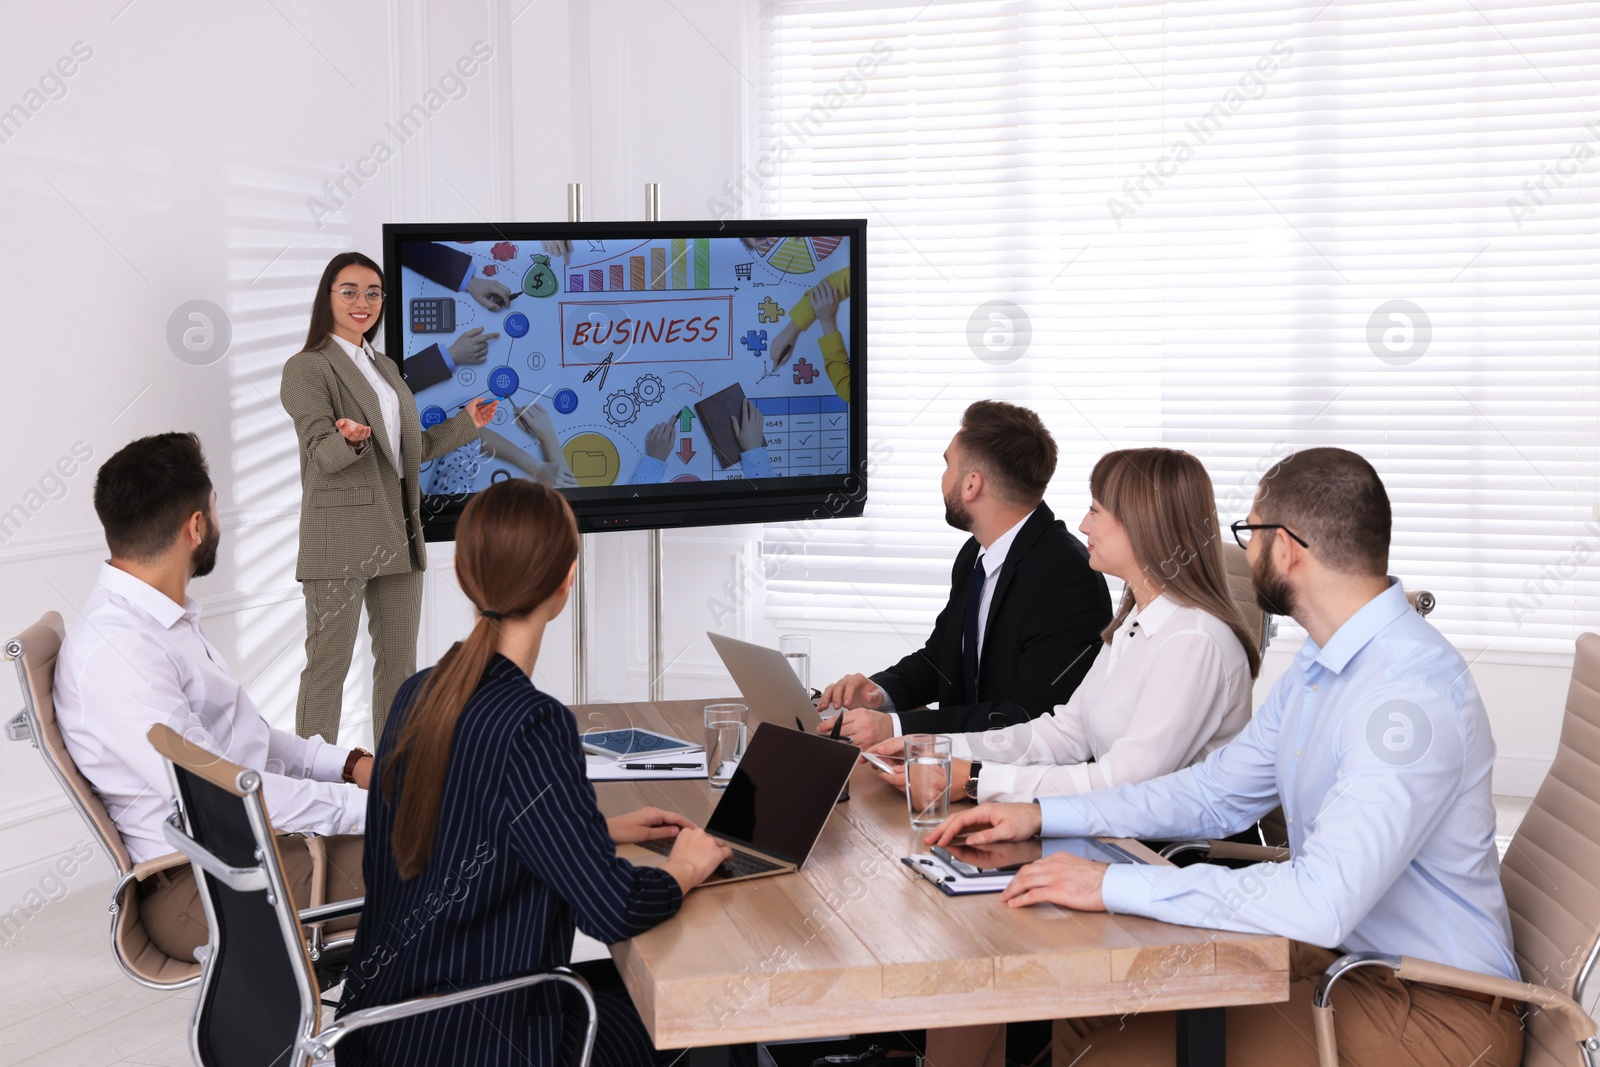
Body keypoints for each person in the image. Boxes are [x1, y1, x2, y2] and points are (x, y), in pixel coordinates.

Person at [928, 447, 1522, 1067]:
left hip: (1436, 1009)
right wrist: (1044, 814)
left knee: (1114, 1051)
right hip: (1347, 959)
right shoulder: (1321, 666)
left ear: (1288, 548)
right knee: (1085, 1002)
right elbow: (1212, 793)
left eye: (1251, 532)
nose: (1242, 549)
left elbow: (1321, 901)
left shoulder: (1407, 699)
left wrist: (1115, 883)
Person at [336, 479, 733, 1067]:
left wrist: (595, 833)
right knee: (715, 1006)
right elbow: (612, 910)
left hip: (385, 1032)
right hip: (488, 1041)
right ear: (566, 580)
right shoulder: (534, 721)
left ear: (466, 574)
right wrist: (685, 869)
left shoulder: (418, 691)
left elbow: (459, 828)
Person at [53, 433, 368, 963]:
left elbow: (249, 745)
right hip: (208, 884)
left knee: (461, 831)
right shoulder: (121, 654)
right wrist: (388, 808)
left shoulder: (159, 620)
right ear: (196, 527)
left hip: (247, 852)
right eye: (216, 508)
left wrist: (350, 766)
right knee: (462, 851)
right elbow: (230, 796)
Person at [866, 447, 1259, 804]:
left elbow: (1125, 782)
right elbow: (1064, 734)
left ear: (1142, 525)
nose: (1084, 526)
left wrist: (976, 781)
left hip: (1170, 859)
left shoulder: (1192, 641)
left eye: (1096, 511)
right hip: (1111, 832)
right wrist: (934, 748)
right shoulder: (1133, 625)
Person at [281, 252, 496, 744]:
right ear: (327, 298)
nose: (364, 302)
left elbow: (407, 451)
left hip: (397, 534)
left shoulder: (385, 367)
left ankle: (394, 779)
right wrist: (350, 439)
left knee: (400, 669)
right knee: (327, 671)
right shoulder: (307, 367)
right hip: (338, 542)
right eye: (350, 291)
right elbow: (324, 454)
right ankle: (312, 788)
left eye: (373, 292)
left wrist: (467, 424)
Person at [816, 400, 1112, 749]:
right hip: (954, 766)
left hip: (1012, 781)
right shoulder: (976, 552)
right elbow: (941, 659)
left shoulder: (1066, 574)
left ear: (972, 485)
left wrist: (895, 727)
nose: (943, 480)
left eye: (948, 466)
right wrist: (878, 694)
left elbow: (1029, 716)